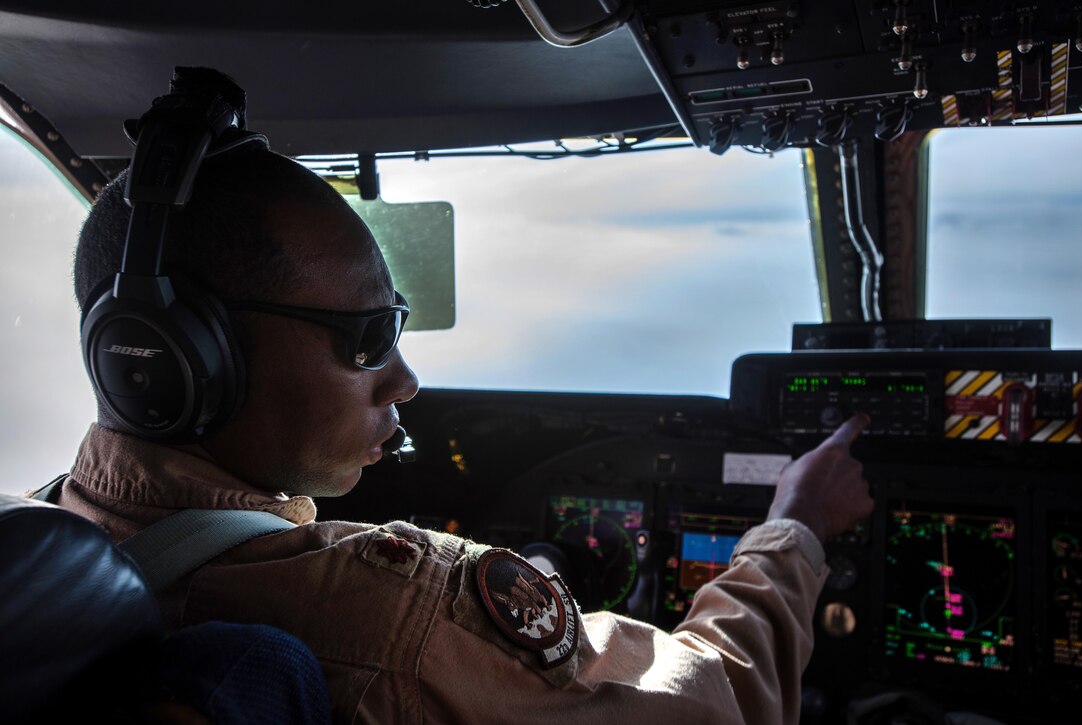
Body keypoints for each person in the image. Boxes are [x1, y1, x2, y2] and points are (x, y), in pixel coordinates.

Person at [54, 125, 873, 722]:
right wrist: (796, 525)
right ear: (188, 358)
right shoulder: (395, 616)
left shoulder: (38, 542)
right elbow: (720, 702)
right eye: (368, 339)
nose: (405, 380)